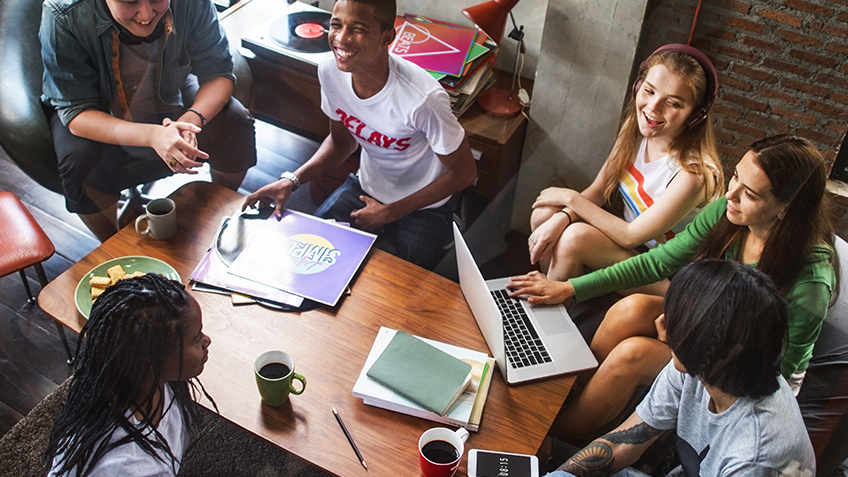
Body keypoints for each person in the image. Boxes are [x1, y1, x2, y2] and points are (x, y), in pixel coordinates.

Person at [509, 134, 837, 439]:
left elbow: (779, 371)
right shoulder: (730, 214)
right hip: (706, 324)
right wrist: (571, 289)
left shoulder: (810, 280)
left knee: (631, 355)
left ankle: (550, 434)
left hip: (742, 368)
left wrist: (688, 349)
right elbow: (657, 263)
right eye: (735, 176)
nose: (730, 194)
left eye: (749, 194)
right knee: (630, 308)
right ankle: (566, 393)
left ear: (787, 208)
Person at [242, 0, 477, 271]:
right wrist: (292, 180)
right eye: (336, 25)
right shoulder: (329, 70)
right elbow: (341, 143)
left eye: (358, 29)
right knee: (312, 257)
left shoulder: (424, 99)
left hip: (426, 204)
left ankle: (449, 226)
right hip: (366, 186)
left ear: (387, 37)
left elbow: (464, 173)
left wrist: (390, 212)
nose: (341, 38)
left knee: (405, 281)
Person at [547, 260, 815, 476]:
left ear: (704, 342)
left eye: (677, 317)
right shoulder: (701, 370)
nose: (661, 321)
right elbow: (622, 444)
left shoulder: (754, 457)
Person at [40, 0, 256, 242]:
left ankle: (221, 208)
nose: (146, 14)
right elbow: (77, 112)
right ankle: (113, 244)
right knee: (79, 161)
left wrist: (191, 119)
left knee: (236, 122)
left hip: (171, 86)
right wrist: (153, 136)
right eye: (130, 2)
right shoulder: (63, 13)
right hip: (97, 107)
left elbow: (219, 72)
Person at [527, 44, 723, 285]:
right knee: (544, 215)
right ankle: (557, 291)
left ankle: (554, 299)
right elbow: (599, 191)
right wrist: (563, 217)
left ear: (696, 115)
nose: (653, 108)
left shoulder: (694, 174)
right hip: (632, 249)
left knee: (574, 237)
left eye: (673, 103)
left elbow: (631, 236)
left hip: (663, 274)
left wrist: (570, 199)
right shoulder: (637, 128)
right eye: (649, 91)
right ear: (638, 86)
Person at [46, 274, 213, 477]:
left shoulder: (148, 379)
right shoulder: (127, 467)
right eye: (196, 339)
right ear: (153, 359)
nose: (207, 340)